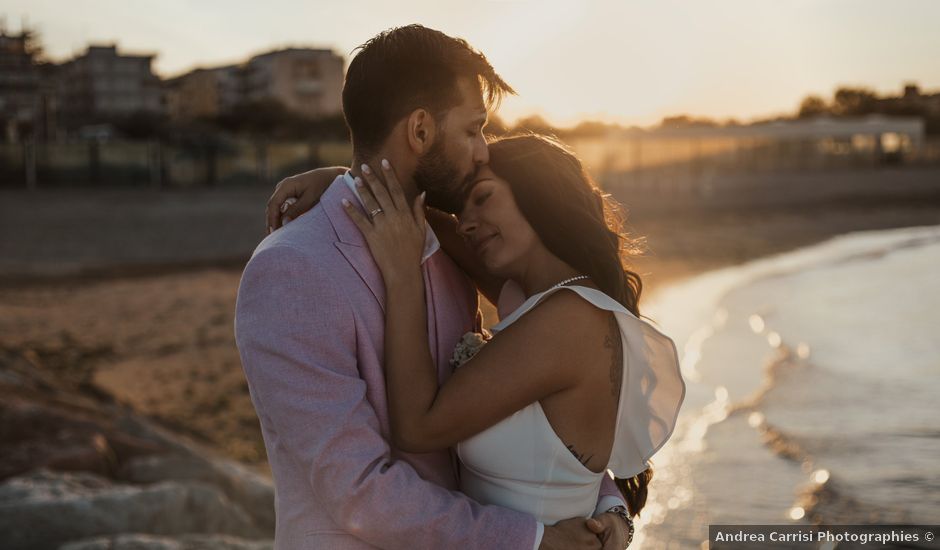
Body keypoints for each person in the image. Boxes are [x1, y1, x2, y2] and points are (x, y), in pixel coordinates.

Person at [235, 25, 636, 549]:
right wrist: (532, 540)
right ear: (420, 131)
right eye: (472, 129)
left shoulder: (452, 252)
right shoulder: (291, 272)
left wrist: (601, 501)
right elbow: (360, 493)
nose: (482, 152)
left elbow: (526, 403)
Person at [267, 133, 686, 547]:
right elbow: (429, 220)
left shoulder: (567, 319)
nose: (466, 223)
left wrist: (403, 276)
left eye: (483, 198)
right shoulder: (539, 296)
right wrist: (346, 180)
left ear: (541, 195)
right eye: (462, 208)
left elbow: (418, 426)